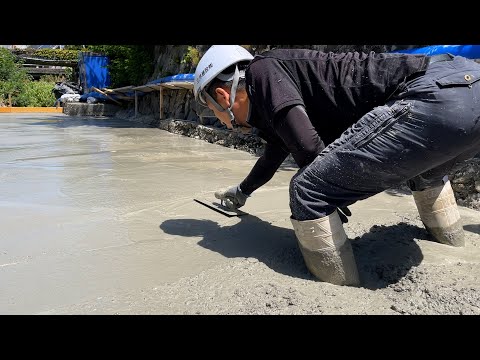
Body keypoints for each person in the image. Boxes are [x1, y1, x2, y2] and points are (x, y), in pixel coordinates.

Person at [193, 45, 480, 286]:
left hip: (433, 94)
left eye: (212, 109)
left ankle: (338, 289)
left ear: (223, 96)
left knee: (306, 189)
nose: (219, 119)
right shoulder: (273, 94)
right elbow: (273, 155)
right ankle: (452, 246)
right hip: (467, 93)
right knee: (426, 172)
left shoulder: (261, 71)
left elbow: (308, 148)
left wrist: (328, 195)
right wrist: (243, 191)